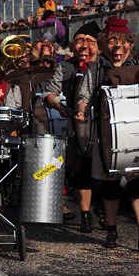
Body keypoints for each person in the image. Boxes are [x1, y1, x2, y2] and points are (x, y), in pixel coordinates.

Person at [76, 16, 139, 252]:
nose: (117, 48)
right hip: (106, 137)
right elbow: (84, 97)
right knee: (109, 185)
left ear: (129, 44)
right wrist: (82, 110)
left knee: (137, 182)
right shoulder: (96, 69)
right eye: (112, 42)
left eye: (122, 42)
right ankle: (111, 230)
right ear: (103, 44)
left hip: (135, 136)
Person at [44, 21, 105, 233]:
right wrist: (58, 105)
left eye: (90, 41)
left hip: (105, 129)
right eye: (80, 41)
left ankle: (104, 208)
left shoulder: (104, 67)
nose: (85, 46)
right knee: (82, 172)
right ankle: (85, 216)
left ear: (98, 46)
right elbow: (50, 92)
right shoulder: (66, 67)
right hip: (78, 127)